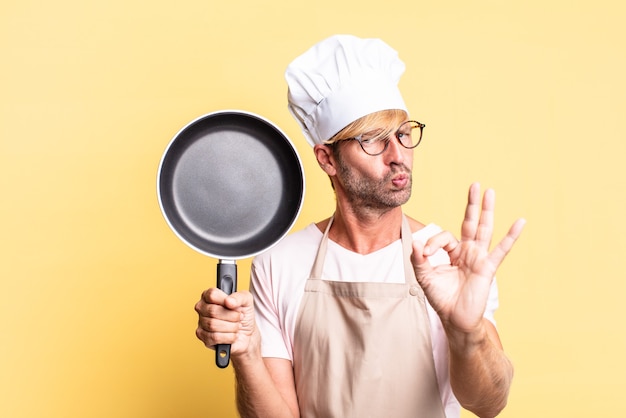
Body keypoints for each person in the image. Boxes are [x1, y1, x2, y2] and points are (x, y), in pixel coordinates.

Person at [195, 34, 525, 418]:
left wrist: (466, 332)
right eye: (373, 140)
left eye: (403, 134)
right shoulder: (279, 262)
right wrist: (247, 353)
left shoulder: (448, 260)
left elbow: (489, 404)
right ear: (328, 159)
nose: (398, 156)